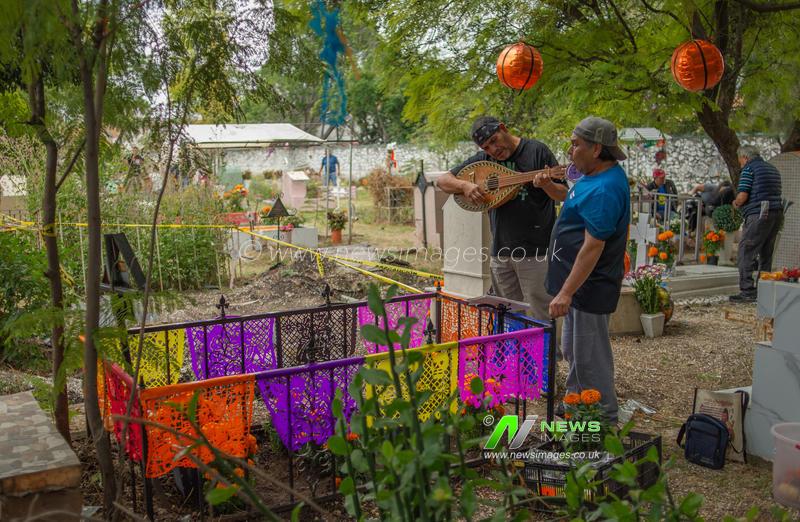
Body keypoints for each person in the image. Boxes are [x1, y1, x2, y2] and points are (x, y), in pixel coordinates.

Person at [435, 116, 567, 320]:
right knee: (510, 316)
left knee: (542, 314)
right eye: (486, 147)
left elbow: (563, 194)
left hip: (536, 251)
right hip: (501, 252)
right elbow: (443, 181)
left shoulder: (536, 151)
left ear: (503, 128)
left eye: (494, 140)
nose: (493, 150)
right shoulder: (484, 161)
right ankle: (517, 353)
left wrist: (547, 184)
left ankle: (549, 353)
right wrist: (465, 186)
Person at [546, 116, 631, 423]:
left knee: (589, 357)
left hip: (589, 287)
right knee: (574, 351)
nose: (570, 151)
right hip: (578, 287)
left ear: (596, 149)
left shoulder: (606, 189)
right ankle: (576, 406)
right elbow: (570, 201)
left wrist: (566, 292)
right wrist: (548, 187)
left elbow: (593, 246)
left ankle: (603, 419)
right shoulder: (592, 178)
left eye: (575, 144)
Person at [730, 145, 783, 302]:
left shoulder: (749, 169)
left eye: (740, 160)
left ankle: (747, 291)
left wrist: (735, 203)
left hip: (759, 213)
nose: (740, 164)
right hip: (777, 213)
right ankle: (764, 289)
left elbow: (743, 195)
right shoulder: (772, 169)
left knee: (746, 250)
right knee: (766, 251)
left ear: (745, 157)